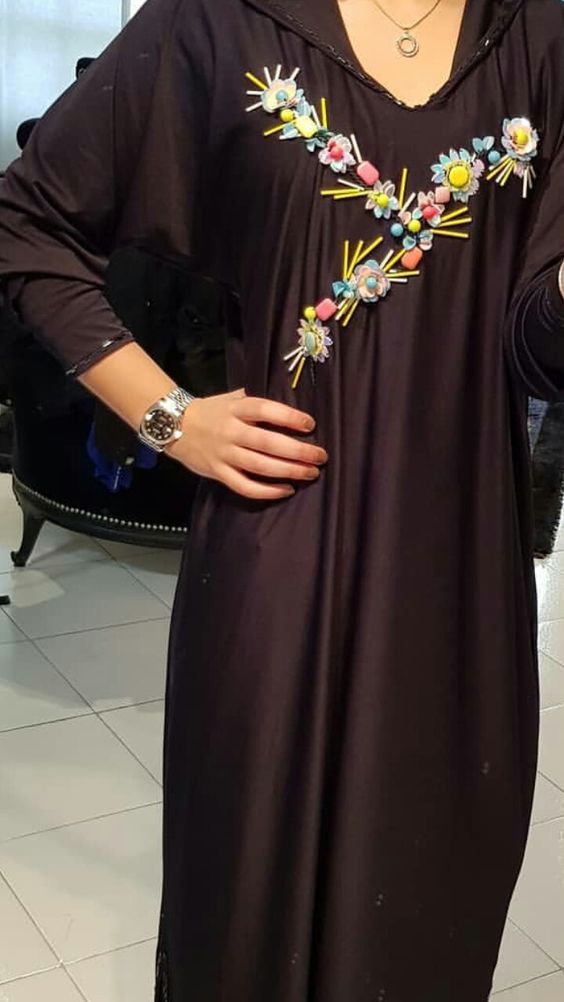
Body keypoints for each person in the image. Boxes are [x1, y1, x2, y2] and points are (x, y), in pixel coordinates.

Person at [1, 0, 564, 998]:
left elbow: (535, 350)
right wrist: (170, 417)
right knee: (249, 905)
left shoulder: (540, 38)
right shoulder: (220, 22)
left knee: (428, 903)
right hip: (278, 558)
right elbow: (28, 223)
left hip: (457, 574)